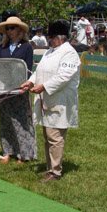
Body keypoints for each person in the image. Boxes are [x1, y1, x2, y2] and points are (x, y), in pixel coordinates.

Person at [20, 21, 80, 183]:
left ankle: (56, 172)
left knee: (55, 137)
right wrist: (31, 82)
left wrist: (44, 87)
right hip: (46, 98)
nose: (50, 40)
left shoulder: (69, 53)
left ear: (62, 37)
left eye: (52, 37)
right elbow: (40, 70)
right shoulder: (50, 52)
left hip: (59, 100)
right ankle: (50, 167)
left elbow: (64, 77)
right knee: (48, 136)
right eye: (49, 37)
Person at [0, 16, 37, 164]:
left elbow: (28, 69)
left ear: (19, 29)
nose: (10, 31)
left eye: (12, 28)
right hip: (3, 89)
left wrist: (23, 85)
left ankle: (24, 153)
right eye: (8, 28)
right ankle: (7, 151)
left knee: (21, 122)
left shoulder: (26, 47)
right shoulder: (2, 47)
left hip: (19, 88)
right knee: (5, 121)